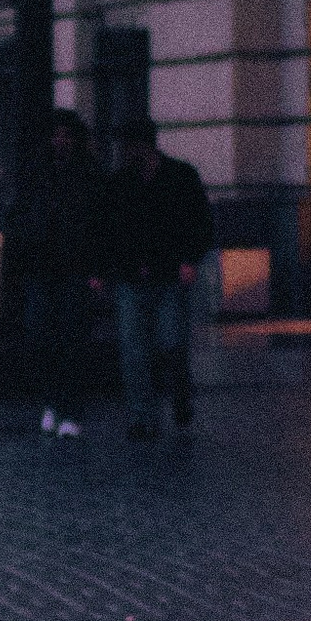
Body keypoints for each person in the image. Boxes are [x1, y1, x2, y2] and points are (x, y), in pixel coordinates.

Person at [102, 117, 217, 439]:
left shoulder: (180, 176)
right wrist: (112, 268)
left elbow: (200, 223)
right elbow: (110, 230)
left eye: (127, 147)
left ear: (143, 146)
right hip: (131, 278)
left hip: (169, 276)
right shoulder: (120, 183)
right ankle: (141, 417)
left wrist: (190, 260)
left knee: (171, 343)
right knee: (133, 348)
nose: (123, 153)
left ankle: (180, 389)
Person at [18, 108, 104, 436]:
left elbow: (98, 224)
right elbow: (26, 214)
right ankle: (53, 401)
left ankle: (71, 409)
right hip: (43, 266)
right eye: (56, 135)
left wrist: (97, 269)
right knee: (41, 336)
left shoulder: (88, 173)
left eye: (66, 135)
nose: (60, 141)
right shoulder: (39, 172)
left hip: (75, 268)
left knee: (72, 338)